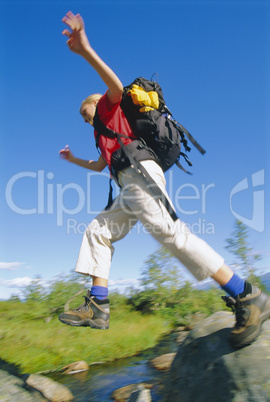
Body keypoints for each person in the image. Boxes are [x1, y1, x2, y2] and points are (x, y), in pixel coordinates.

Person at [58, 11, 270, 348]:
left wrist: (85, 50)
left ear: (97, 105)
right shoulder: (102, 135)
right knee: (98, 230)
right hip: (128, 185)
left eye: (89, 113)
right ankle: (98, 305)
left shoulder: (110, 108)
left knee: (172, 235)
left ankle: (247, 295)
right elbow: (100, 166)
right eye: (86, 119)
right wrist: (72, 160)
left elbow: (114, 85)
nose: (89, 120)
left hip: (141, 175)